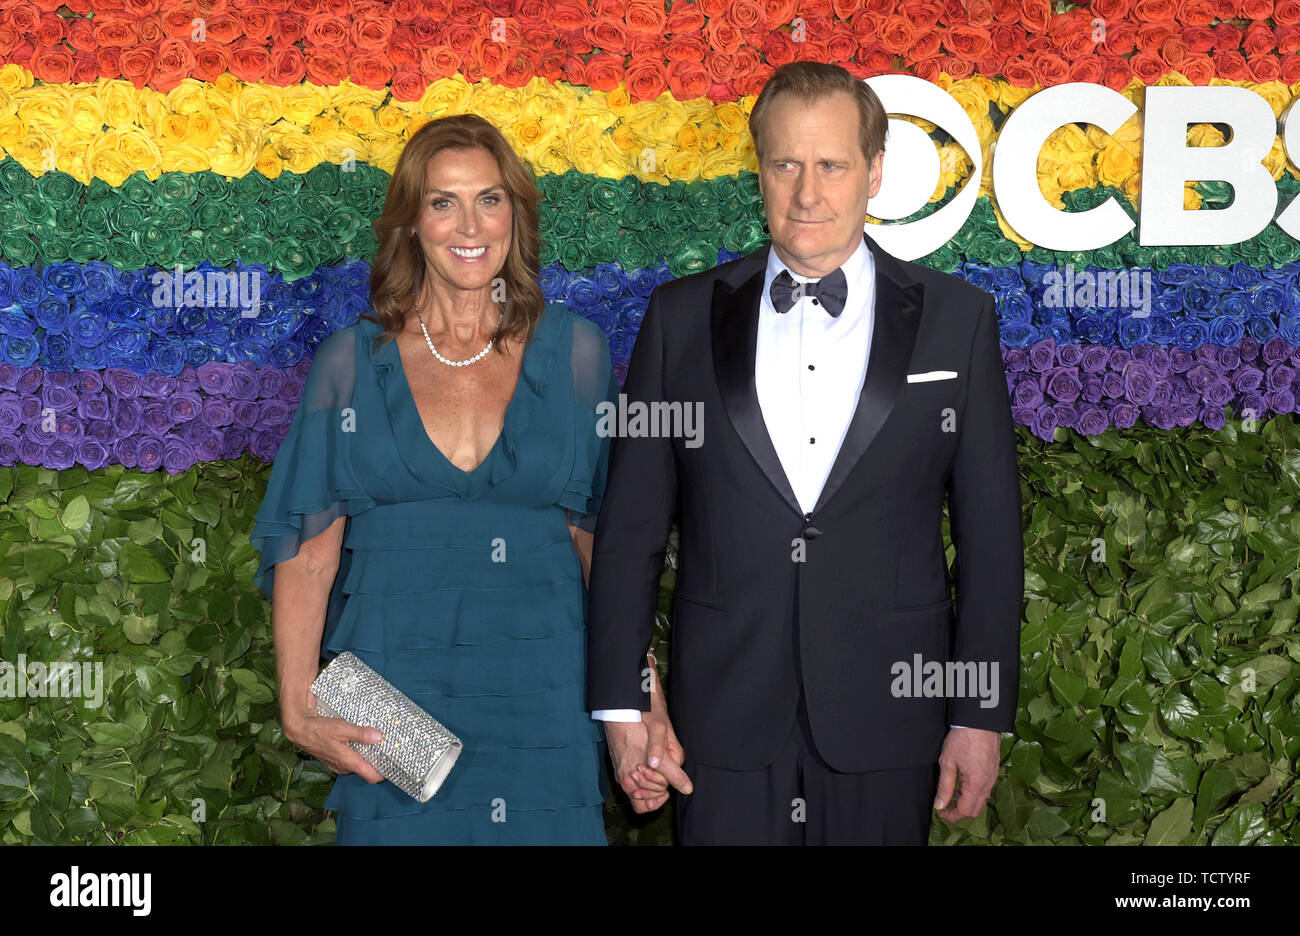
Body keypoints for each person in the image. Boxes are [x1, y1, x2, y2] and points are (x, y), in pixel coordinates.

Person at [586, 62, 1024, 845]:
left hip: (893, 716)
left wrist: (979, 714)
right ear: (760, 170)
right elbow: (629, 533)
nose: (807, 193)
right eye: (786, 164)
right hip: (716, 725)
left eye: (832, 166)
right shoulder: (680, 319)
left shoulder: (958, 322)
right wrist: (624, 708)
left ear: (875, 173)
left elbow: (991, 538)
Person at [251, 114, 617, 845]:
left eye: (489, 198)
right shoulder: (350, 363)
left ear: (515, 212)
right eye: (442, 201)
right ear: (411, 224)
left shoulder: (576, 352)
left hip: (544, 698)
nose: (469, 223)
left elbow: (600, 546)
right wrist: (298, 706)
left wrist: (637, 700)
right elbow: (309, 552)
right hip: (395, 709)